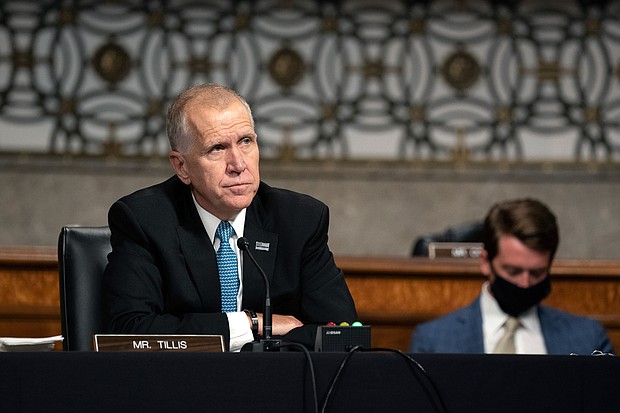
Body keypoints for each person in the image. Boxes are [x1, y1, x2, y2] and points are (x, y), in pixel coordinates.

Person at [102, 83, 357, 351]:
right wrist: (250, 323)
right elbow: (129, 333)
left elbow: (341, 336)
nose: (238, 164)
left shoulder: (299, 220)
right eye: (217, 148)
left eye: (246, 142)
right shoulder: (144, 220)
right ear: (181, 166)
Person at [409, 198, 614, 355]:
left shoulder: (588, 339)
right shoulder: (433, 341)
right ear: (485, 262)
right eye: (513, 272)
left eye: (537, 273)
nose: (524, 283)